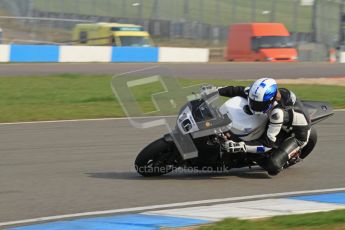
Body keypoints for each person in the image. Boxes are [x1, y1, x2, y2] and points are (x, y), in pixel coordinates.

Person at [218, 78, 311, 175]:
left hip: (299, 135)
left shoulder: (277, 114)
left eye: (258, 105)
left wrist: (241, 146)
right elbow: (236, 90)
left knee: (273, 165)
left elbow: (267, 144)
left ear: (270, 101)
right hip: (279, 118)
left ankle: (289, 157)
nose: (254, 106)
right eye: (253, 101)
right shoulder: (259, 95)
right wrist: (216, 91)